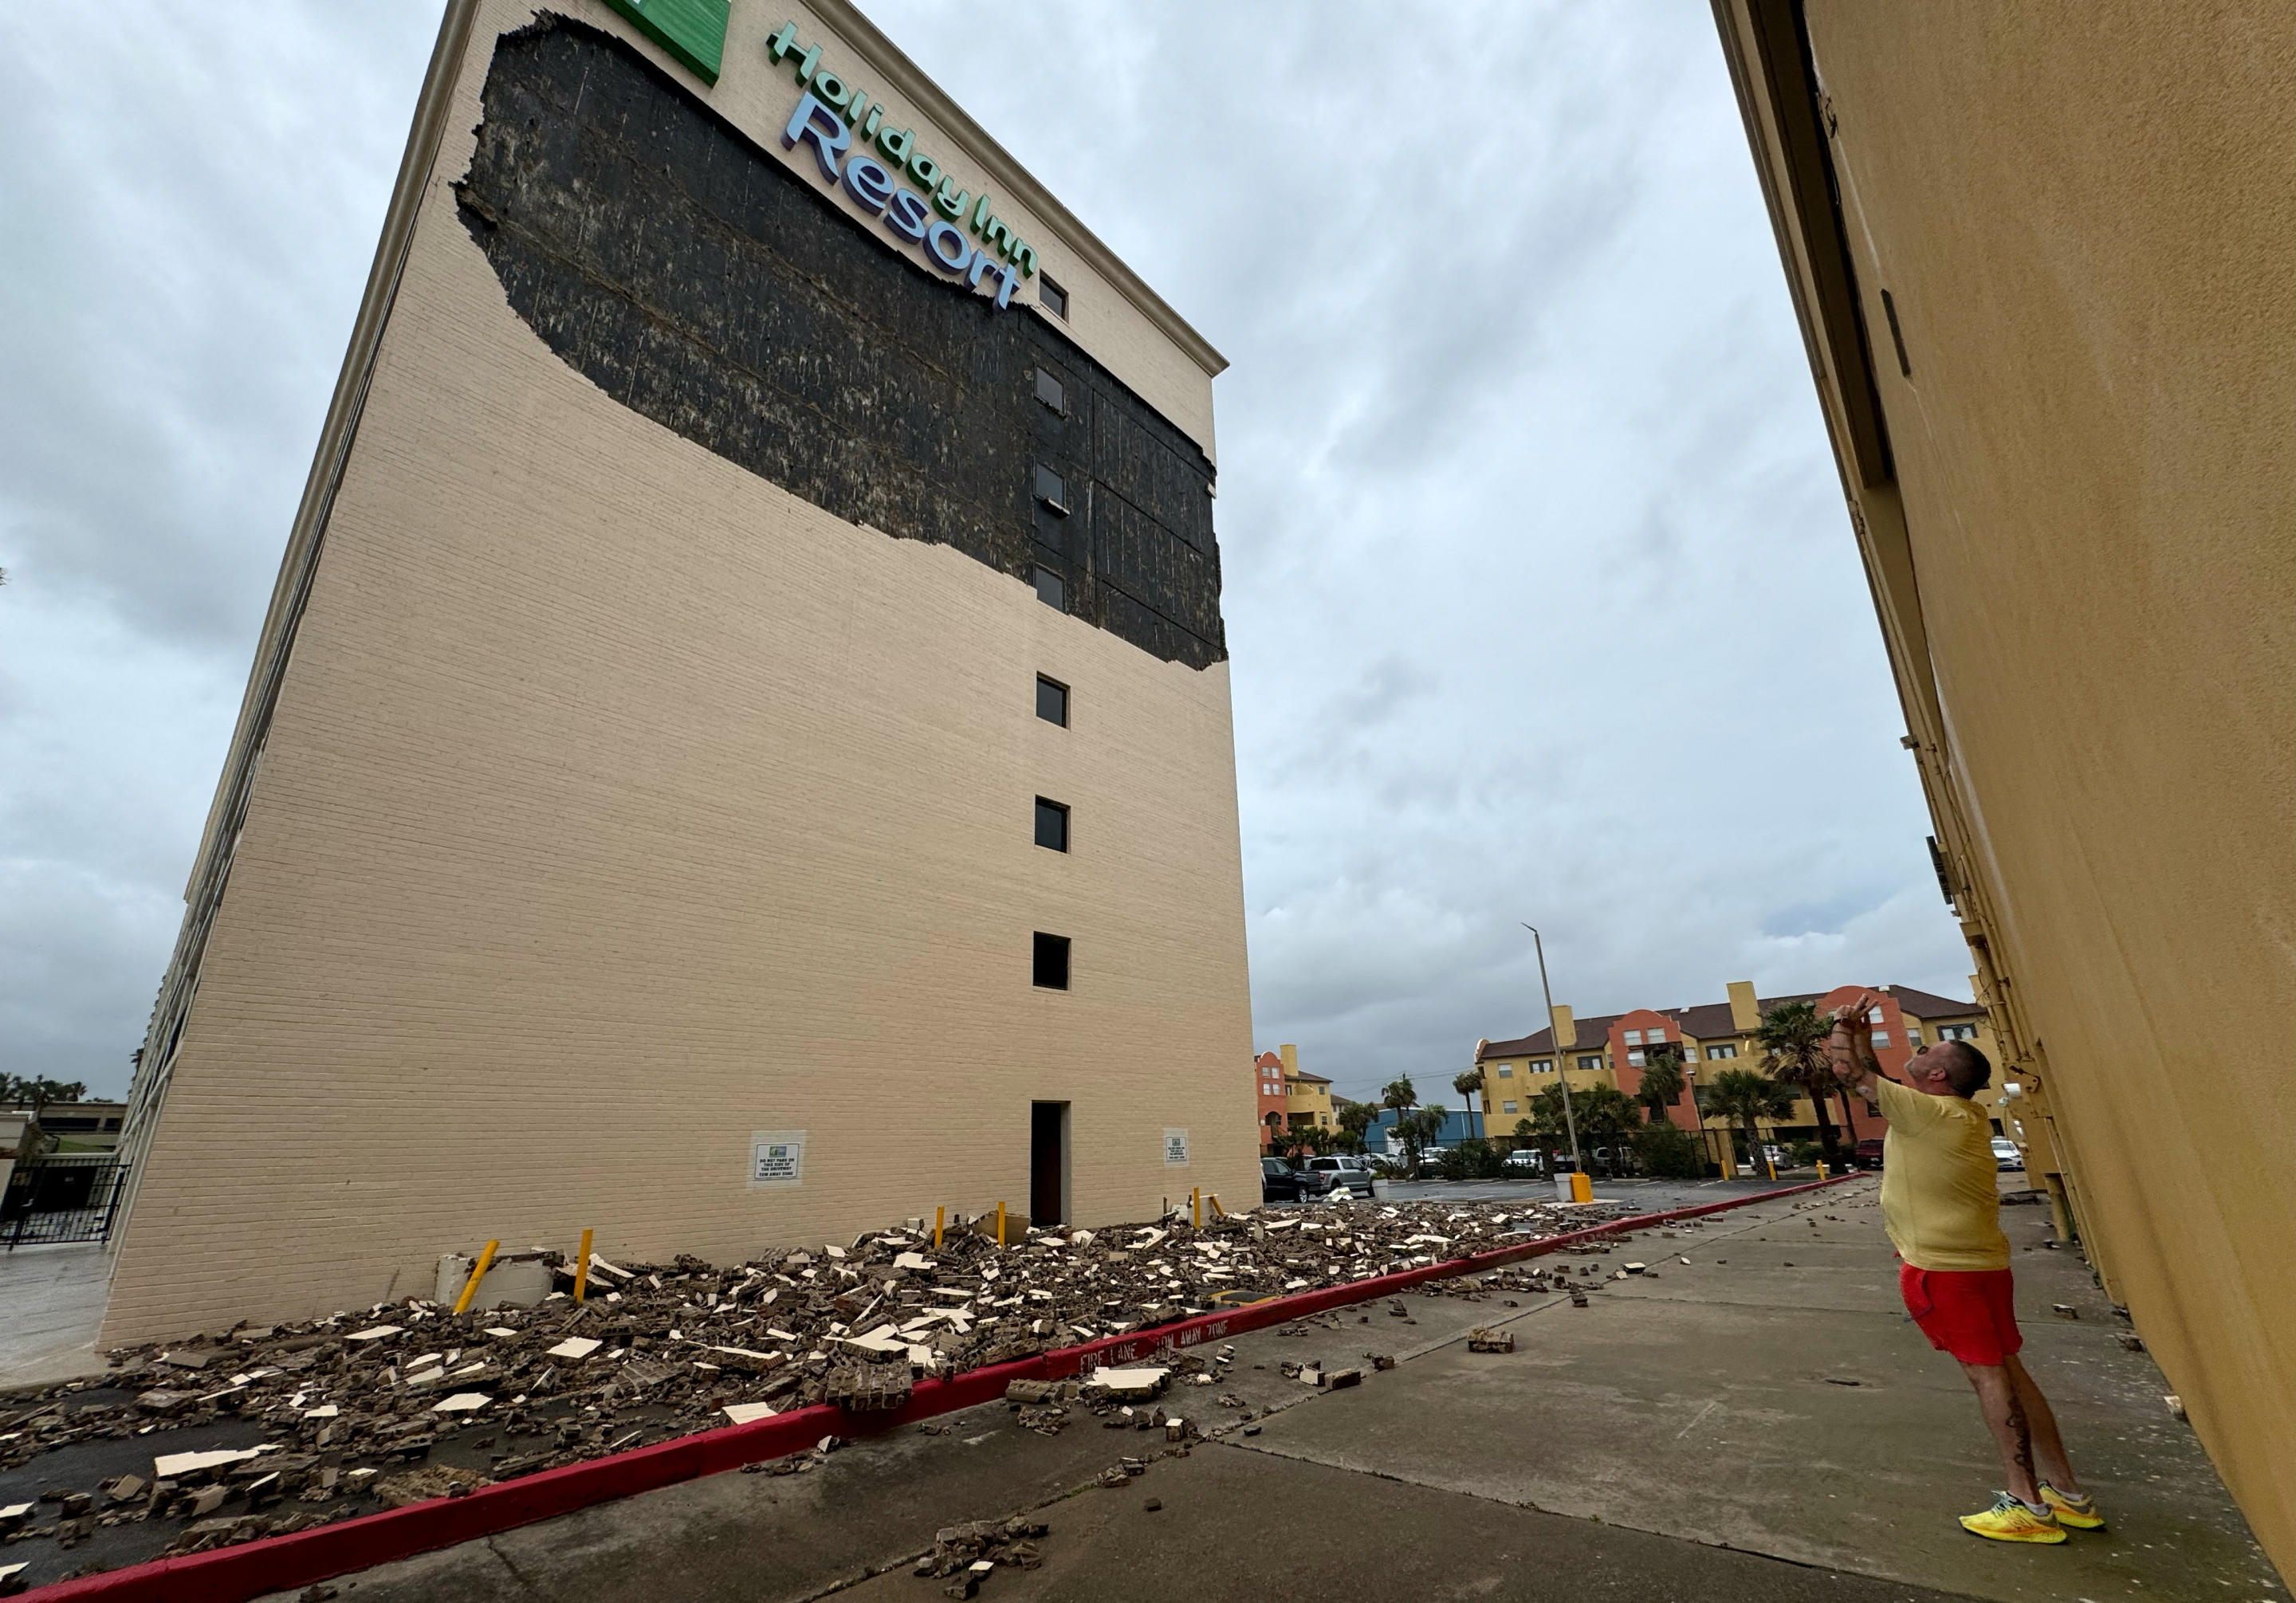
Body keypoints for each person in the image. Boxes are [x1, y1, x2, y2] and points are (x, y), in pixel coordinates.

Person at [1826, 992, 2102, 1544]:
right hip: (1983, 1263)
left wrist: (1838, 1025)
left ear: (1933, 1073)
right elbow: (1871, 1075)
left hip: (1944, 1270)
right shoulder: (1953, 1111)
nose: (1921, 1047)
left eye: (1928, 1046)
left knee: (1988, 1377)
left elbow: (1846, 1072)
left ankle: (2026, 1502)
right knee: (2009, 1371)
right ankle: (2066, 1493)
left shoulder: (1927, 1113)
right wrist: (1861, 1032)